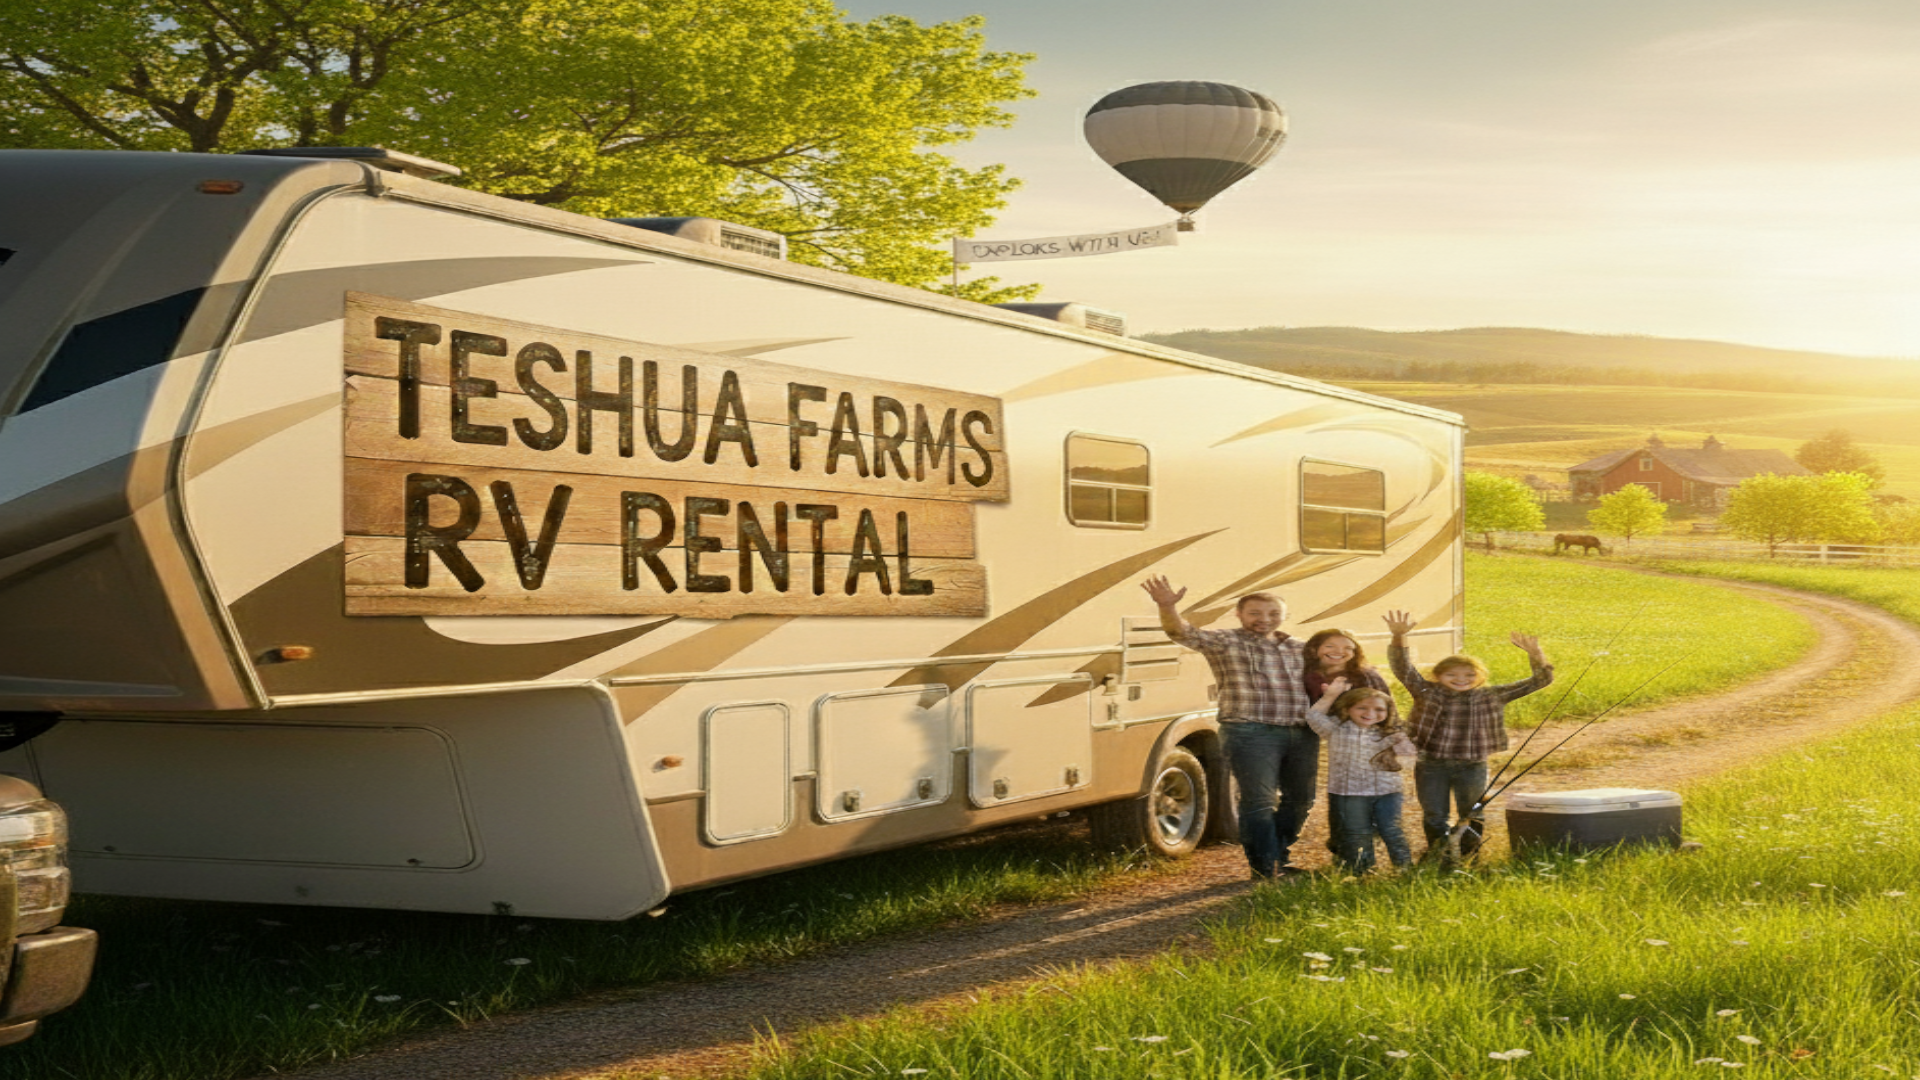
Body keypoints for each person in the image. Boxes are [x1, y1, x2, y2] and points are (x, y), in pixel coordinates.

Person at [1142, 575, 1315, 879]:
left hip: (1300, 733)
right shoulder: (1225, 641)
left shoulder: (1300, 648)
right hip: (1250, 733)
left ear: (1284, 615)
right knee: (1259, 800)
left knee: (1301, 799)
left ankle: (1279, 856)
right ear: (1239, 614)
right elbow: (1180, 632)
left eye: (1273, 613)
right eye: (1255, 613)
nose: (1264, 619)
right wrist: (1167, 606)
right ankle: (1264, 868)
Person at [1382, 610, 1554, 861]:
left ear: (1481, 677)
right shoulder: (1426, 691)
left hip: (1472, 765)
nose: (1460, 680)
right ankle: (1440, 855)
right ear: (1438, 676)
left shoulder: (1492, 695)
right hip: (1431, 765)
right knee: (1434, 815)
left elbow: (1541, 680)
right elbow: (1402, 667)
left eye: (1469, 675)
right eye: (1452, 675)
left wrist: (1535, 653)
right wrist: (1399, 637)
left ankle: (1469, 855)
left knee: (1472, 812)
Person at [1304, 679, 1418, 874]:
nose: (1370, 714)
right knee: (1357, 832)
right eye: (1362, 708)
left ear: (1388, 712)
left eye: (1379, 710)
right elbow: (1313, 715)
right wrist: (1331, 695)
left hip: (1388, 791)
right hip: (1350, 792)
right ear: (1348, 709)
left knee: (1392, 829)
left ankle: (1405, 870)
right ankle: (1361, 872)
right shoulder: (1336, 729)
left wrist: (1404, 745)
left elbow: (1409, 756)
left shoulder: (1390, 732)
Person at [1301, 629, 1397, 858]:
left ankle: (1357, 849)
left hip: (1362, 741)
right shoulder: (1307, 674)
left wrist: (1387, 744)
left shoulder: (1365, 676)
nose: (1339, 652)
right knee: (1340, 791)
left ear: (1355, 653)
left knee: (1361, 792)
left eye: (1347, 648)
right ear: (1315, 649)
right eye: (1330, 646)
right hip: (1328, 736)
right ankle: (1344, 843)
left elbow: (1388, 707)